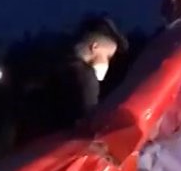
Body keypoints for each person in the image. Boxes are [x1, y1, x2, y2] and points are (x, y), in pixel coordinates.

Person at [10, 16, 126, 147]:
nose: (108, 63)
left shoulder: (49, 64)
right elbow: (88, 125)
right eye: (108, 56)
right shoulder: (84, 76)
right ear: (95, 47)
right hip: (56, 153)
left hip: (27, 151)